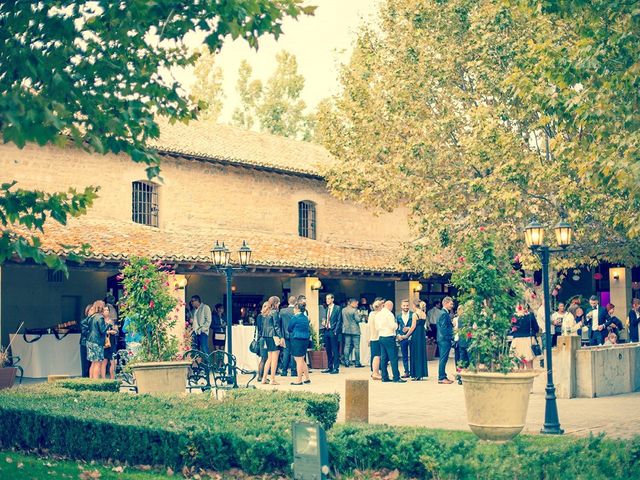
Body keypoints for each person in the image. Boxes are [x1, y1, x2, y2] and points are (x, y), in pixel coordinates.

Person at [376, 300, 405, 383]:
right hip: (389, 337)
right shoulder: (389, 314)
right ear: (390, 306)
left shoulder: (378, 314)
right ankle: (396, 377)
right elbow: (393, 326)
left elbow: (377, 327)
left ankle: (384, 377)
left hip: (381, 337)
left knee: (384, 358)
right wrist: (396, 325)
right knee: (393, 358)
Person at [399, 299, 428, 381]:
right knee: (421, 353)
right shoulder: (423, 314)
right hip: (422, 335)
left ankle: (416, 374)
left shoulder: (415, 314)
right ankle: (421, 373)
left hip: (416, 336)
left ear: (414, 305)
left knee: (415, 353)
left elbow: (413, 327)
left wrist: (406, 336)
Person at [288, 303, 312, 386]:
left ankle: (299, 380)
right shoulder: (305, 318)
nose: (293, 310)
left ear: (297, 309)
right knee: (302, 359)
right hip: (305, 339)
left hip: (297, 339)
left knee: (298, 360)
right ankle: (307, 378)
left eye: (294, 308)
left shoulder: (295, 317)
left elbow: (289, 328)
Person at [261, 296, 282, 385]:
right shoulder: (274, 312)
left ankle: (264, 378)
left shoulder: (266, 312)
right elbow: (276, 326)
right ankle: (272, 379)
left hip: (266, 336)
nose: (280, 304)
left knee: (269, 359)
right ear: (276, 303)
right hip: (274, 336)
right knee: (274, 359)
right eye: (279, 302)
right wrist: (281, 337)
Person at [510, 304, 540, 369]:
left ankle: (520, 376)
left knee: (520, 363)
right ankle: (530, 378)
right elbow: (536, 328)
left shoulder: (514, 316)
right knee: (529, 363)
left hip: (517, 341)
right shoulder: (530, 315)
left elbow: (511, 329)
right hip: (528, 340)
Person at [86, 300, 108, 379]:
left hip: (90, 341)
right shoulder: (100, 317)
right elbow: (102, 330)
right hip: (97, 342)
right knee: (98, 363)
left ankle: (91, 380)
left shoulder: (91, 317)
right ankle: (96, 381)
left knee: (93, 363)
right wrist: (108, 323)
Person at [321, 293, 342, 374]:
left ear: (332, 299)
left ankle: (336, 368)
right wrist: (324, 323)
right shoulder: (326, 308)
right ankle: (329, 367)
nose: (327, 300)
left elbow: (339, 321)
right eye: (326, 299)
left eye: (329, 299)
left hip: (333, 331)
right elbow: (327, 318)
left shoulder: (337, 308)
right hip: (326, 330)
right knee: (328, 350)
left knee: (335, 350)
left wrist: (336, 331)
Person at [437, 297, 455, 384]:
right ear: (445, 303)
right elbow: (444, 329)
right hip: (444, 340)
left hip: (442, 339)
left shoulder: (442, 313)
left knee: (443, 358)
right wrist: (451, 338)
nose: (452, 306)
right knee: (443, 359)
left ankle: (443, 376)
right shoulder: (444, 314)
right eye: (451, 304)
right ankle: (441, 377)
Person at [279, 295, 298, 377]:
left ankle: (284, 371)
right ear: (295, 302)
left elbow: (279, 323)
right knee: (293, 353)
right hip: (295, 334)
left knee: (286, 352)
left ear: (288, 302)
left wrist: (281, 335)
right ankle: (293, 371)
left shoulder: (282, 311)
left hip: (285, 335)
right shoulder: (296, 311)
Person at [342, 298, 363, 368]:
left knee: (347, 346)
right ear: (351, 303)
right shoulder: (354, 310)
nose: (357, 304)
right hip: (355, 331)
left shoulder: (343, 310)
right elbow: (358, 320)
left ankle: (346, 362)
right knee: (357, 347)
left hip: (346, 330)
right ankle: (357, 363)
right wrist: (360, 315)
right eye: (356, 303)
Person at [395, 299, 413, 378]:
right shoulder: (398, 316)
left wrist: (409, 328)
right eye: (404, 305)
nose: (406, 307)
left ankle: (413, 371)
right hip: (402, 338)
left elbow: (415, 326)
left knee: (413, 355)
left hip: (412, 337)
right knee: (404, 356)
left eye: (407, 305)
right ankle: (406, 372)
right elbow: (396, 327)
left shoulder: (413, 314)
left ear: (409, 306)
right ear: (401, 306)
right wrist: (398, 335)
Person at [101, 304, 119, 380]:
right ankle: (103, 379)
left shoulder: (112, 321)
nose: (106, 312)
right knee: (104, 362)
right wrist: (108, 331)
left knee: (113, 362)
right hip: (104, 343)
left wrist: (110, 331)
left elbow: (116, 331)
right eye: (104, 310)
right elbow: (101, 331)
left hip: (112, 343)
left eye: (107, 310)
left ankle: (112, 379)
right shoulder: (101, 320)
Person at [452, 304, 468, 384]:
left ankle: (460, 377)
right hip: (465, 340)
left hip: (459, 340)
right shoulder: (465, 318)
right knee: (465, 359)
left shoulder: (458, 318)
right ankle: (463, 377)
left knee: (460, 359)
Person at [368, 299, 383, 380]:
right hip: (378, 337)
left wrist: (369, 338)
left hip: (373, 337)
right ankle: (376, 373)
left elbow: (369, 327)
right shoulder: (379, 315)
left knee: (374, 355)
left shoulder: (371, 314)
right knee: (377, 356)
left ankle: (374, 372)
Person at [79, 303, 92, 378]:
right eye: (91, 310)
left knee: (92, 364)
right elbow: (85, 332)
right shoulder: (84, 321)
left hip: (93, 344)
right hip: (85, 344)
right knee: (85, 365)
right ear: (87, 311)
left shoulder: (95, 320)